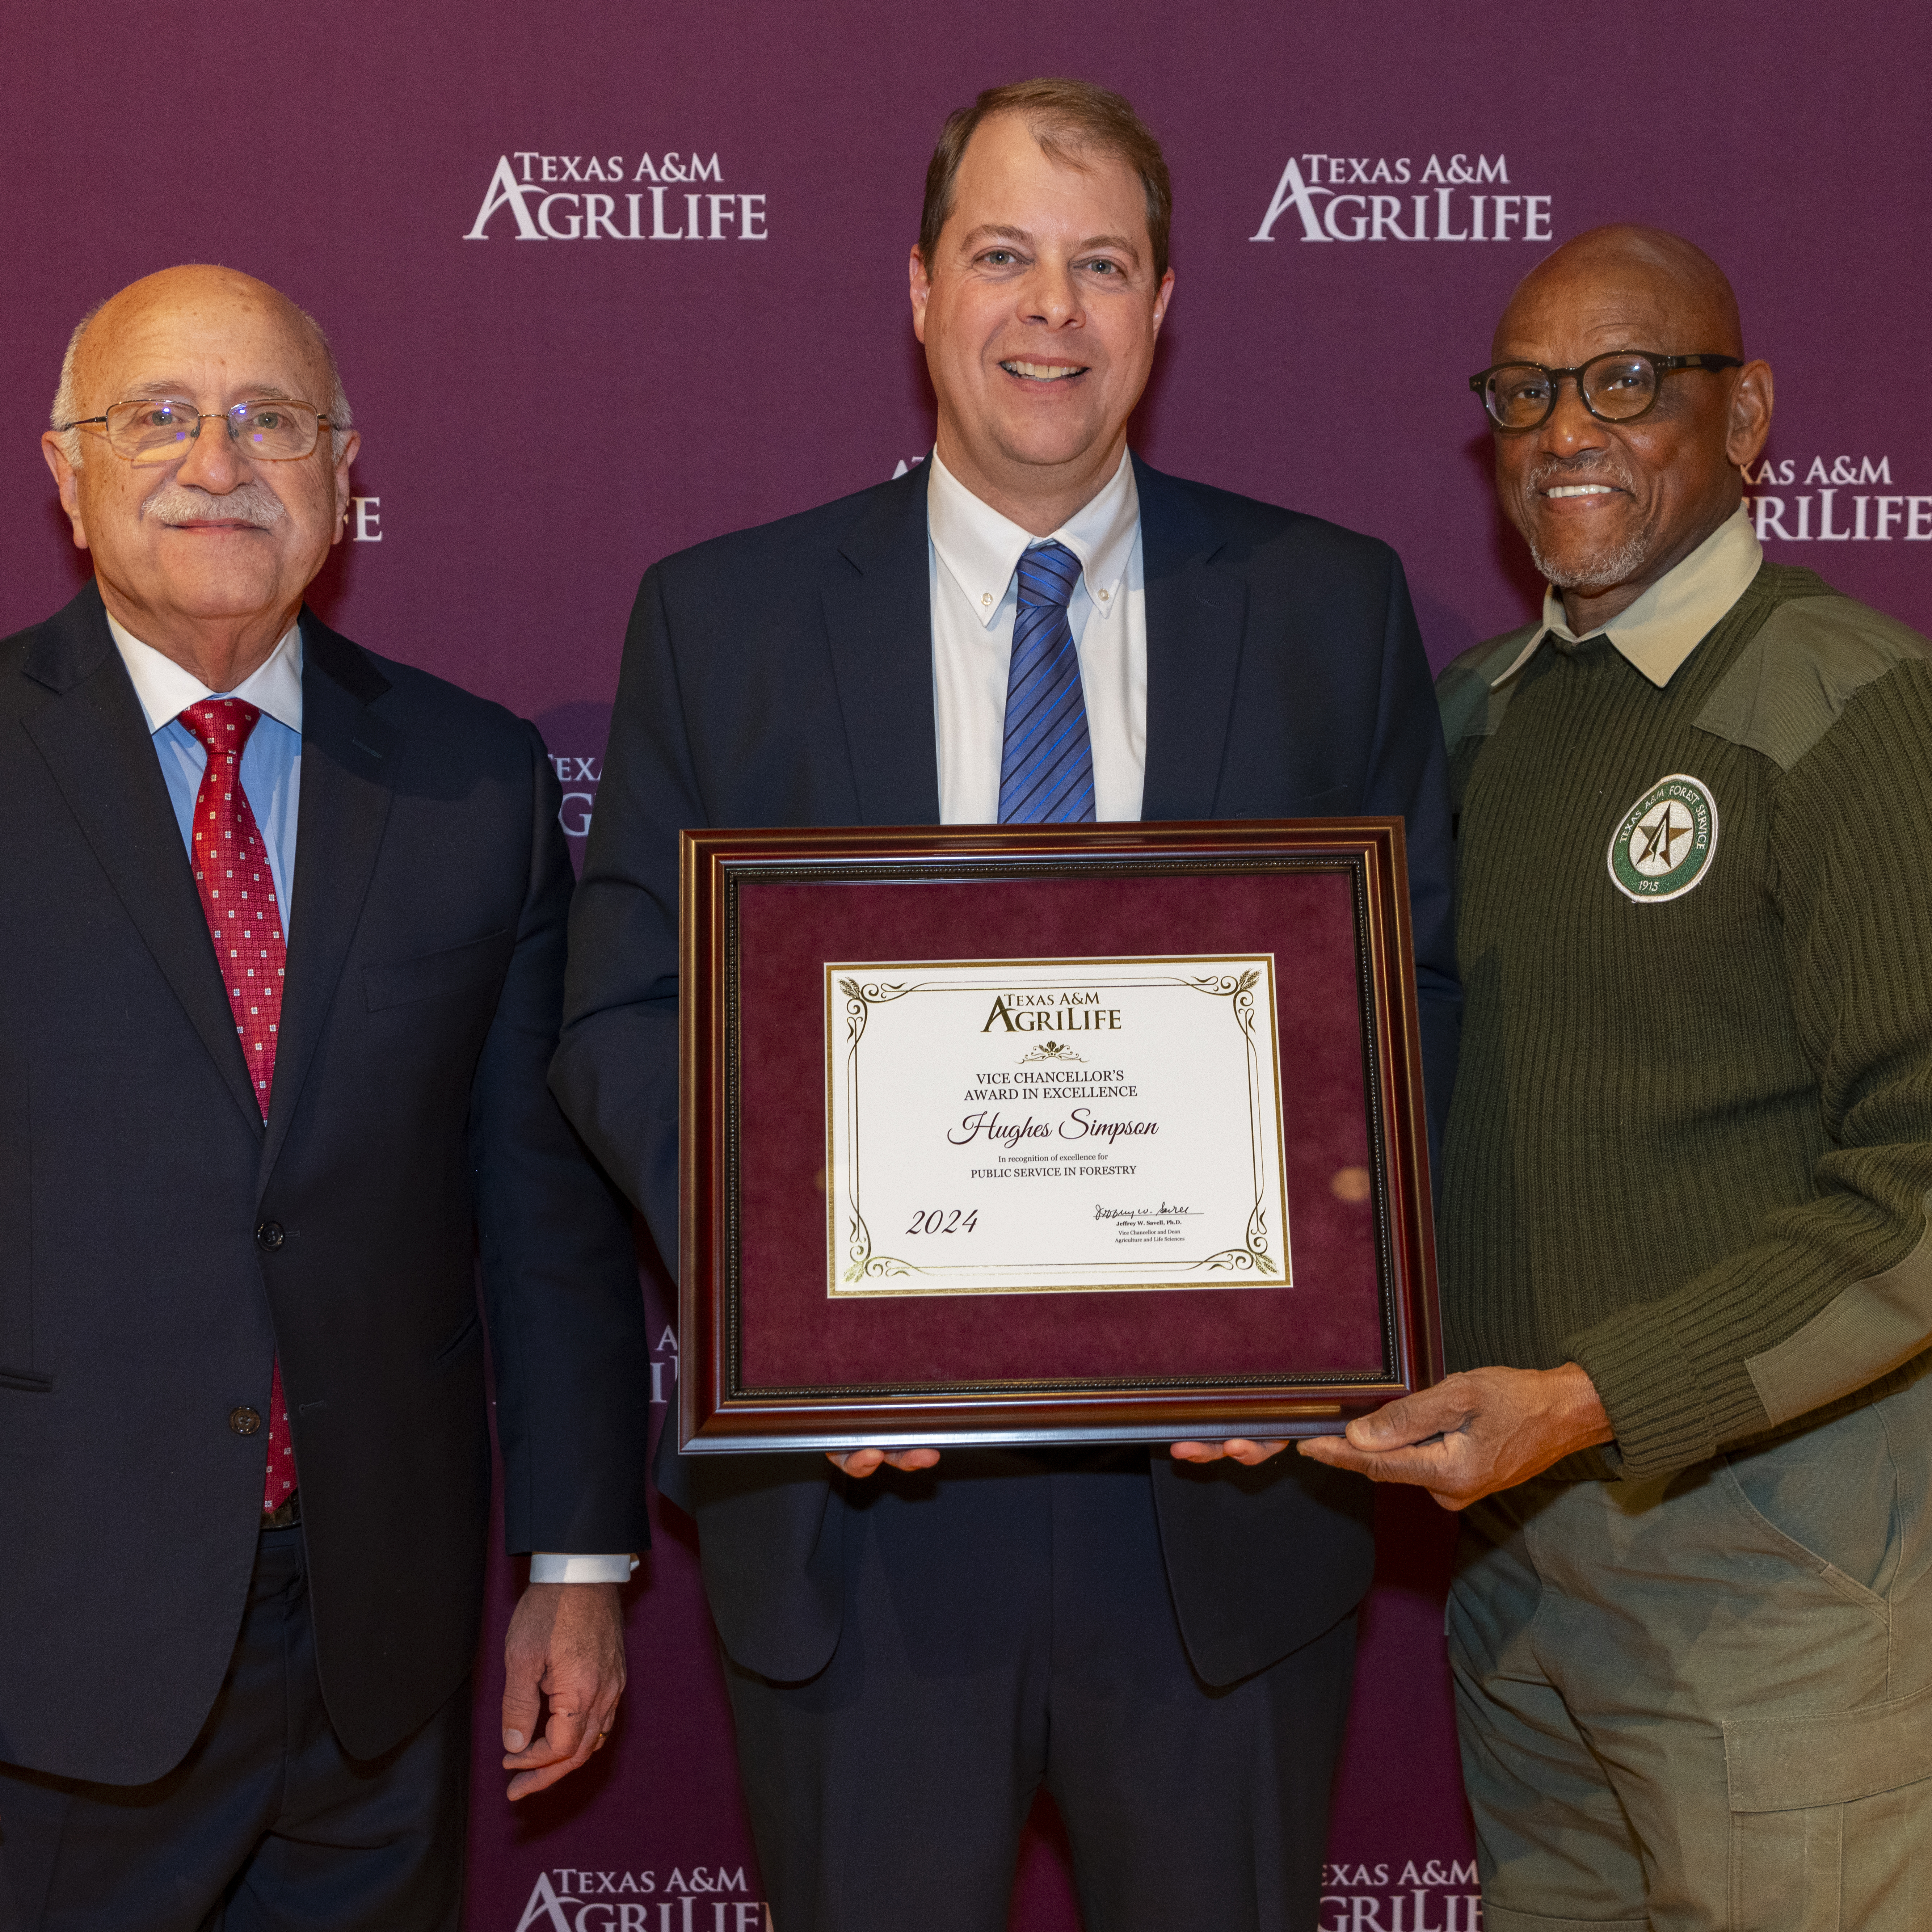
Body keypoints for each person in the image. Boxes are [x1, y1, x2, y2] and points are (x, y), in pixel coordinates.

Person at [552, 79, 1458, 1932]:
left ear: (1164, 307)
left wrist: (1311, 1303)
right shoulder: (718, 623)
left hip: (1222, 1512)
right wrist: (790, 1301)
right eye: (1004, 258)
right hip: (861, 1516)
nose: (1052, 310)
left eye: (1102, 265)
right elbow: (621, 1015)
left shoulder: (1328, 608)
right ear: (916, 290)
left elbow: (1412, 998)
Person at [0, 265, 653, 1932]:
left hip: (373, 1661)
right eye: (158, 417)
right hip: (48, 1651)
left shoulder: (475, 782)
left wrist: (576, 1564)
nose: (217, 460)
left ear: (343, 470)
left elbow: (541, 1211)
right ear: (65, 473)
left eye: (270, 420)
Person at [1301, 224, 1932, 1928]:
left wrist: (1590, 1396)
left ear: (1748, 422)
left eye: (1628, 382)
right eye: (1525, 393)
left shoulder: (1858, 709)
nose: (1567, 429)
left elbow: (1923, 1187)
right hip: (1518, 1581)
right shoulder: (1473, 723)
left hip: (1775, 1590)